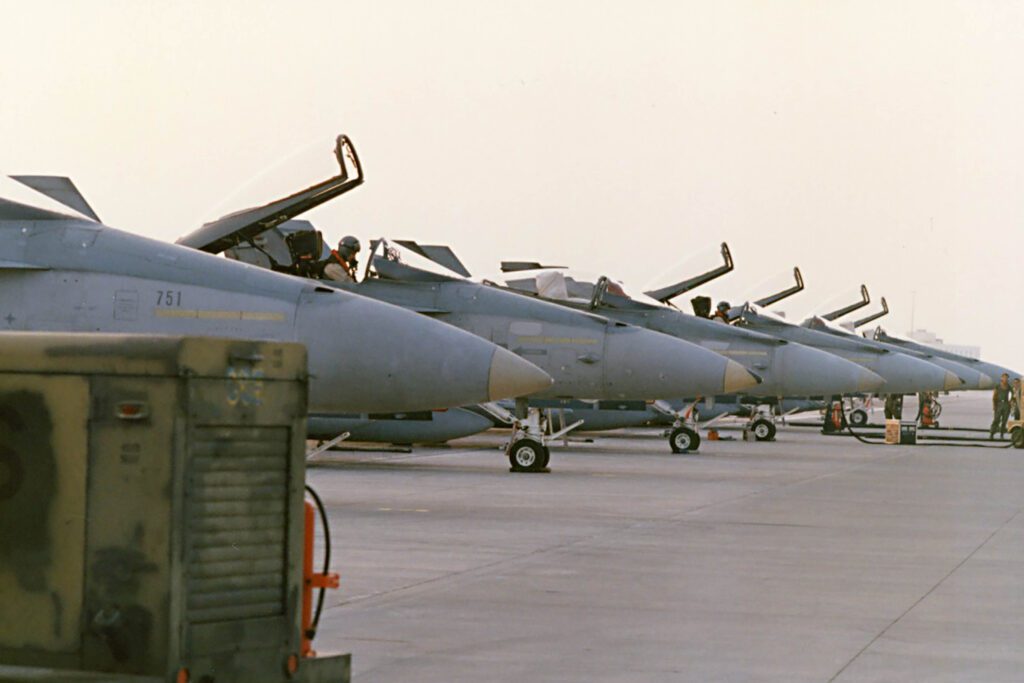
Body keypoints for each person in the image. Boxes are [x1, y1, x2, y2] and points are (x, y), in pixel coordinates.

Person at [990, 373, 1013, 439]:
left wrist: (1011, 403)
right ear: (1001, 378)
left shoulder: (1009, 387)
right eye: (1004, 377)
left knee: (1004, 421)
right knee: (996, 419)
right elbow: (994, 396)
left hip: (1006, 405)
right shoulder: (997, 386)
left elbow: (1012, 396)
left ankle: (1002, 435)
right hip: (999, 404)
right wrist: (994, 405)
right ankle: (992, 433)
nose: (1005, 379)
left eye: (1006, 378)